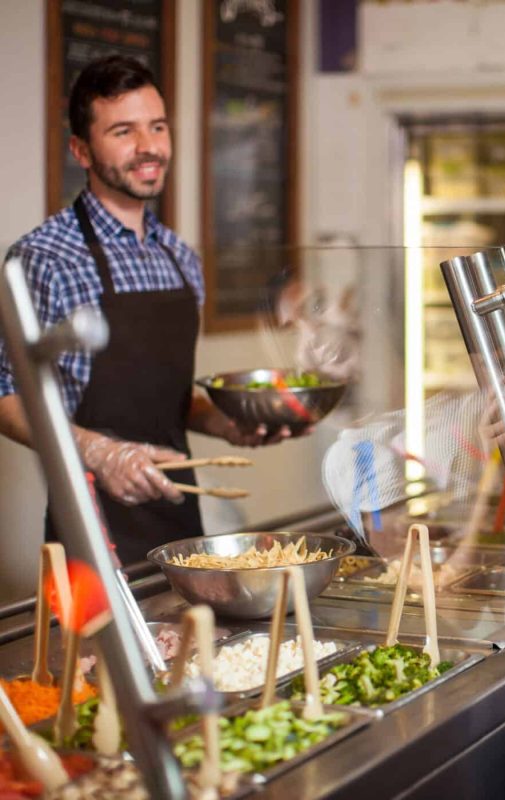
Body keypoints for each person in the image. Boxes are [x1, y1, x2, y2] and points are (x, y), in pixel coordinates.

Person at [0, 55, 292, 564]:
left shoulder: (180, 257)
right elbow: (4, 393)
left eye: (157, 126)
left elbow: (161, 396)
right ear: (81, 150)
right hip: (89, 522)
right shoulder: (44, 257)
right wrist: (101, 452)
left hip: (179, 516)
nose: (149, 147)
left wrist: (229, 422)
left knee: (194, 644)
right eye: (123, 131)